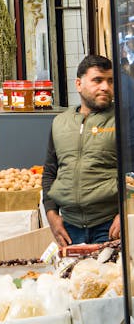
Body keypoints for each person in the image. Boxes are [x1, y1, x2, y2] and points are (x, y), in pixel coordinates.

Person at [43, 54, 119, 247]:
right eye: (97, 80)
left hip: (110, 225)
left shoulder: (124, 118)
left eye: (110, 81)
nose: (105, 87)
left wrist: (128, 212)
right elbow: (50, 173)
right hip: (69, 228)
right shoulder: (60, 123)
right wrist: (51, 215)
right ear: (78, 84)